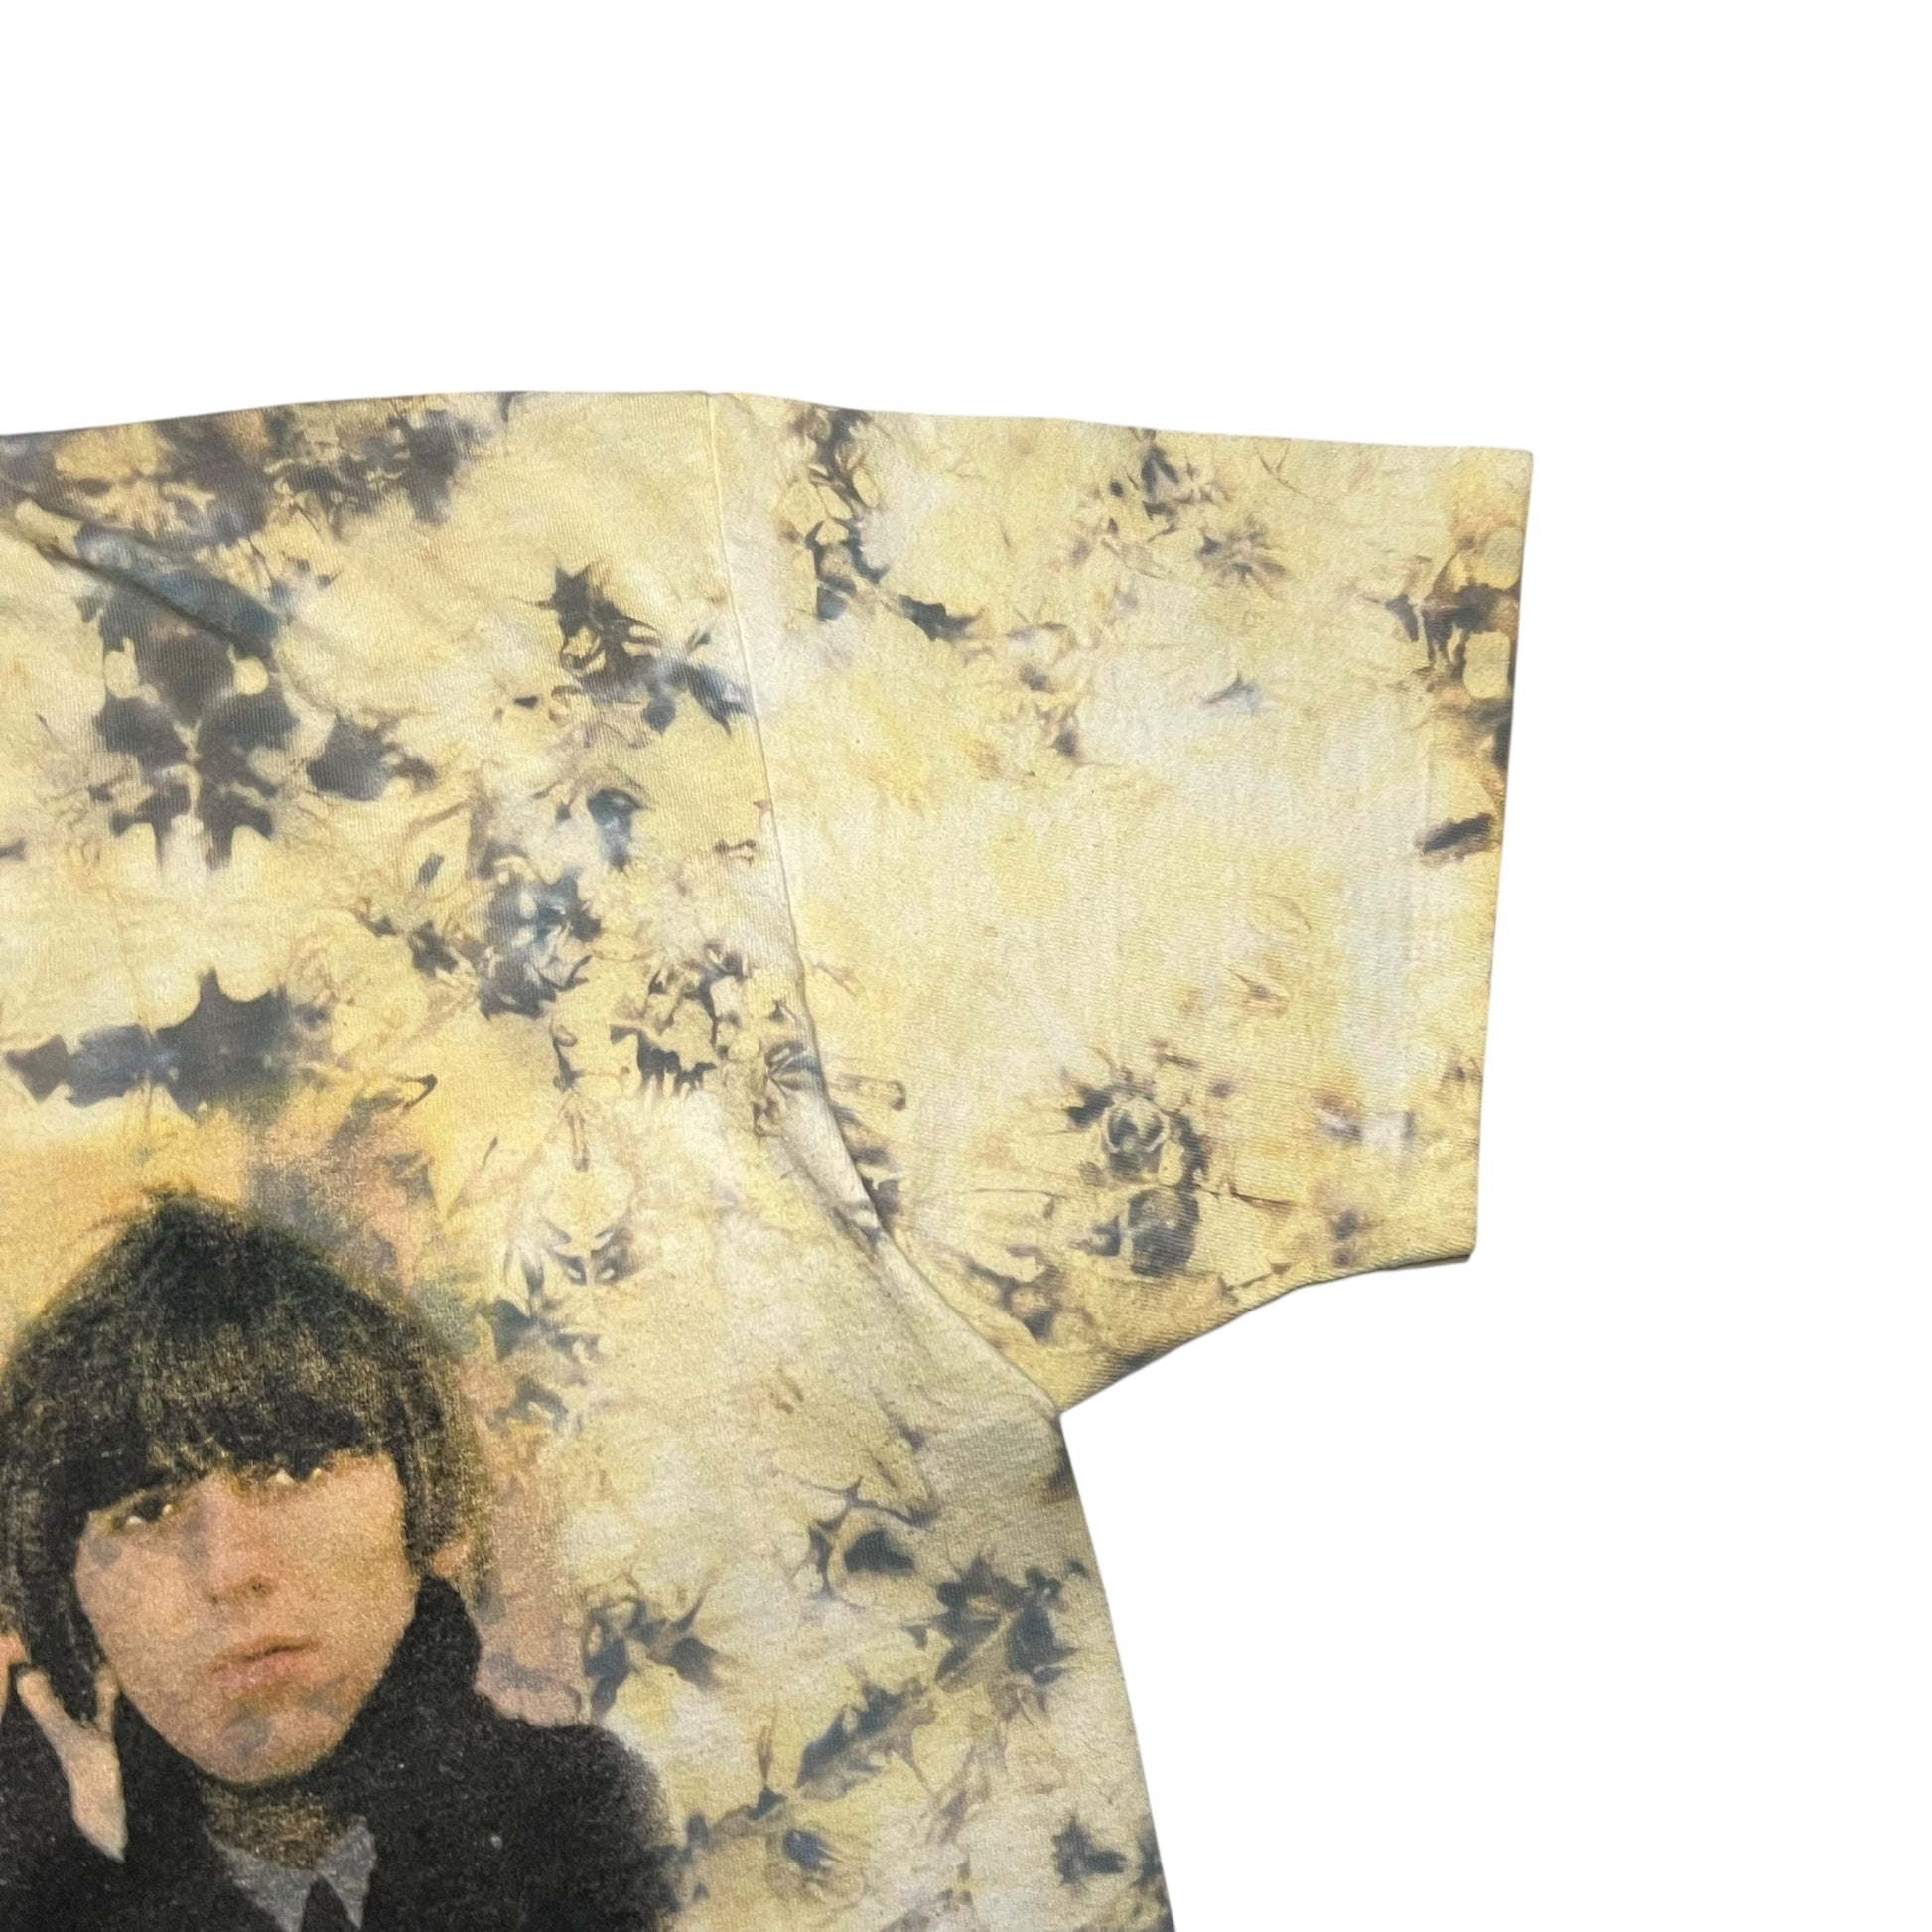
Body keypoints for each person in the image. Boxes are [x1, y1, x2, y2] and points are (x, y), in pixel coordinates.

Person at [0, 1188, 676, 1930]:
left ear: (422, 1505)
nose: (230, 1571)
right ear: (70, 1604)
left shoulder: (599, 1826)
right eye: (147, 1511)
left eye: (293, 1469)